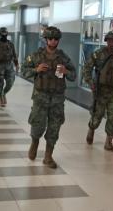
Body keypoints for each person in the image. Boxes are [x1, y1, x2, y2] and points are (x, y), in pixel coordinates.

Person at [22, 26, 76, 169]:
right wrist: (36, 70)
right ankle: (34, 143)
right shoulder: (36, 55)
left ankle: (48, 156)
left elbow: (74, 75)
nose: (53, 41)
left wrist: (66, 72)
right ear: (46, 40)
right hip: (40, 97)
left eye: (56, 39)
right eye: (50, 38)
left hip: (57, 99)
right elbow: (23, 71)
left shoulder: (63, 57)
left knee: (54, 128)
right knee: (37, 125)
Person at [83, 31, 113, 153]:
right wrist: (91, 83)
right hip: (100, 91)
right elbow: (87, 68)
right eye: (111, 40)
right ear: (107, 41)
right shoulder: (98, 54)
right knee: (97, 116)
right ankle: (91, 129)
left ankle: (108, 142)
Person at [0, 27, 19, 107]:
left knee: (10, 82)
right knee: (0, 82)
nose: (4, 35)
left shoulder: (10, 44)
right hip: (0, 65)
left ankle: (3, 93)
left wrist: (16, 64)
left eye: (5, 33)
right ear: (0, 34)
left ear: (7, 33)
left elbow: (14, 55)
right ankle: (1, 98)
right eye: (2, 33)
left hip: (9, 65)